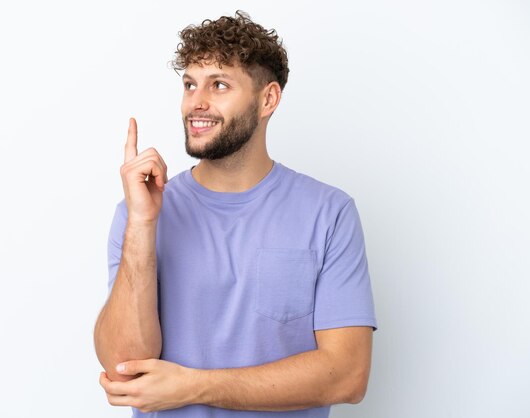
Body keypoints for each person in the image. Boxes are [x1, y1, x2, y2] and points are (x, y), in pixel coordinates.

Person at [93, 10, 377, 418]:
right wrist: (141, 224)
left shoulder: (329, 213)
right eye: (190, 85)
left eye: (219, 85)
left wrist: (194, 386)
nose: (197, 103)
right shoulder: (141, 213)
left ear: (268, 99)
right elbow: (124, 369)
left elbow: (347, 376)